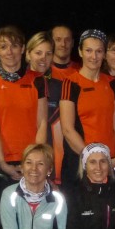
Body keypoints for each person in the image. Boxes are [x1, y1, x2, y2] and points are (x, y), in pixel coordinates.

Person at [0, 25, 48, 182]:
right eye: (3, 47)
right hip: (3, 160)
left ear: (23, 49)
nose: (9, 52)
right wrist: (2, 163)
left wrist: (35, 161)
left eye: (14, 46)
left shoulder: (37, 79)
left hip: (32, 161)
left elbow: (42, 123)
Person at [59, 29, 115, 183]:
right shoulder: (71, 83)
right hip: (81, 162)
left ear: (104, 54)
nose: (94, 57)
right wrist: (92, 159)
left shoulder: (112, 83)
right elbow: (68, 129)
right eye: (88, 50)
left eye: (98, 51)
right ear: (80, 52)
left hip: (109, 162)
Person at [25, 31, 66, 183]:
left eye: (48, 53)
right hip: (22, 159)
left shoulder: (61, 87)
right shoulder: (16, 85)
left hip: (53, 162)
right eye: (38, 53)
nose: (43, 58)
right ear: (28, 54)